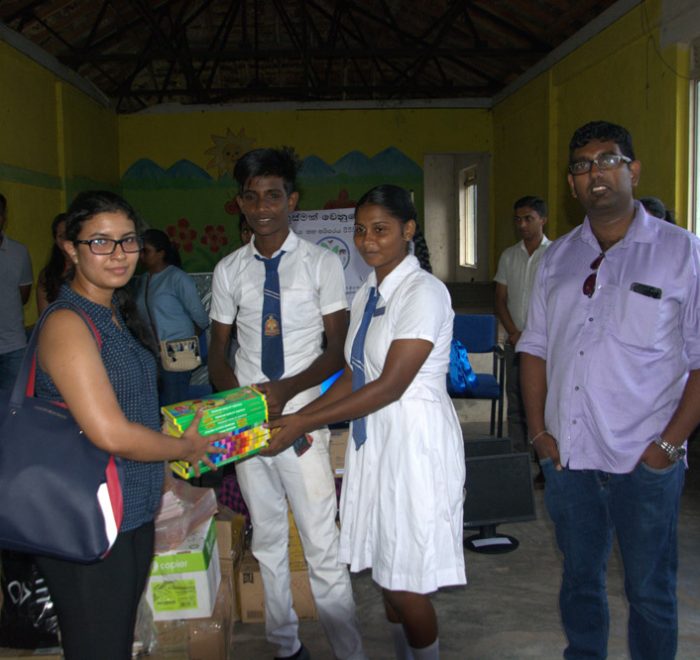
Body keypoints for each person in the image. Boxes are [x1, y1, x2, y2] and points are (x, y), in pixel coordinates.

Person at [519, 120, 700, 660]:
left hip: (645, 461)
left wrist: (666, 447)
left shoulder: (682, 253)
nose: (594, 173)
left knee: (649, 591)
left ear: (633, 171)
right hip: (569, 459)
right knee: (579, 582)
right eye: (581, 166)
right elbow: (535, 348)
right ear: (571, 184)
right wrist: (539, 435)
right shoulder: (556, 258)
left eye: (607, 160)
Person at [268, 184, 466, 660]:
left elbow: (390, 385)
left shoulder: (423, 293)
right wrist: (299, 416)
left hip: (413, 443)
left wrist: (303, 423)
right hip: (374, 440)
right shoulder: (368, 294)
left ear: (408, 230)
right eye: (360, 230)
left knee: (405, 584)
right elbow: (354, 374)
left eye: (380, 229)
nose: (367, 240)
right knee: (385, 568)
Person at [33, 190, 223, 660]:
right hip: (86, 517)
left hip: (130, 510)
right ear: (71, 248)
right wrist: (184, 449)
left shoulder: (116, 312)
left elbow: (133, 408)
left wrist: (166, 452)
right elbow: (110, 433)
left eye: (128, 240)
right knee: (98, 646)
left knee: (116, 640)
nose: (118, 254)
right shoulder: (68, 324)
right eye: (100, 242)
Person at [208, 148, 365, 660]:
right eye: (251, 197)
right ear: (240, 203)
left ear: (292, 200)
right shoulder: (229, 270)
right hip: (249, 424)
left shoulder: (321, 263)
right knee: (268, 540)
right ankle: (284, 646)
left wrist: (283, 393)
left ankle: (349, 652)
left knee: (322, 545)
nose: (263, 208)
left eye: (273, 196)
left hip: (301, 420)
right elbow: (217, 353)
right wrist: (242, 408)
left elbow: (337, 351)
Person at [493, 196, 551, 465]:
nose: (522, 225)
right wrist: (514, 333)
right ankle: (519, 460)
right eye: (518, 219)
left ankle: (544, 461)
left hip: (546, 345)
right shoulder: (509, 256)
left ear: (543, 220)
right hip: (515, 341)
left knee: (544, 404)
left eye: (529, 219)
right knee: (516, 403)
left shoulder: (555, 255)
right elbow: (500, 300)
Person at [135, 228, 210, 406]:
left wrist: (187, 337)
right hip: (152, 351)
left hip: (176, 348)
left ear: (161, 253)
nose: (141, 256)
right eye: (140, 251)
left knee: (175, 402)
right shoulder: (143, 280)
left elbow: (200, 316)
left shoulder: (177, 278)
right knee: (158, 401)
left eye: (146, 251)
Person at [0, 193, 33, 390]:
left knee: (14, 403)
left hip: (14, 345)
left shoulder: (19, 252)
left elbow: (24, 295)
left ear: (4, 217)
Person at [36, 213, 73, 314]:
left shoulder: (90, 269)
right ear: (56, 240)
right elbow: (44, 314)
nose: (66, 240)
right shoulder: (47, 275)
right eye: (61, 236)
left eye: (69, 234)